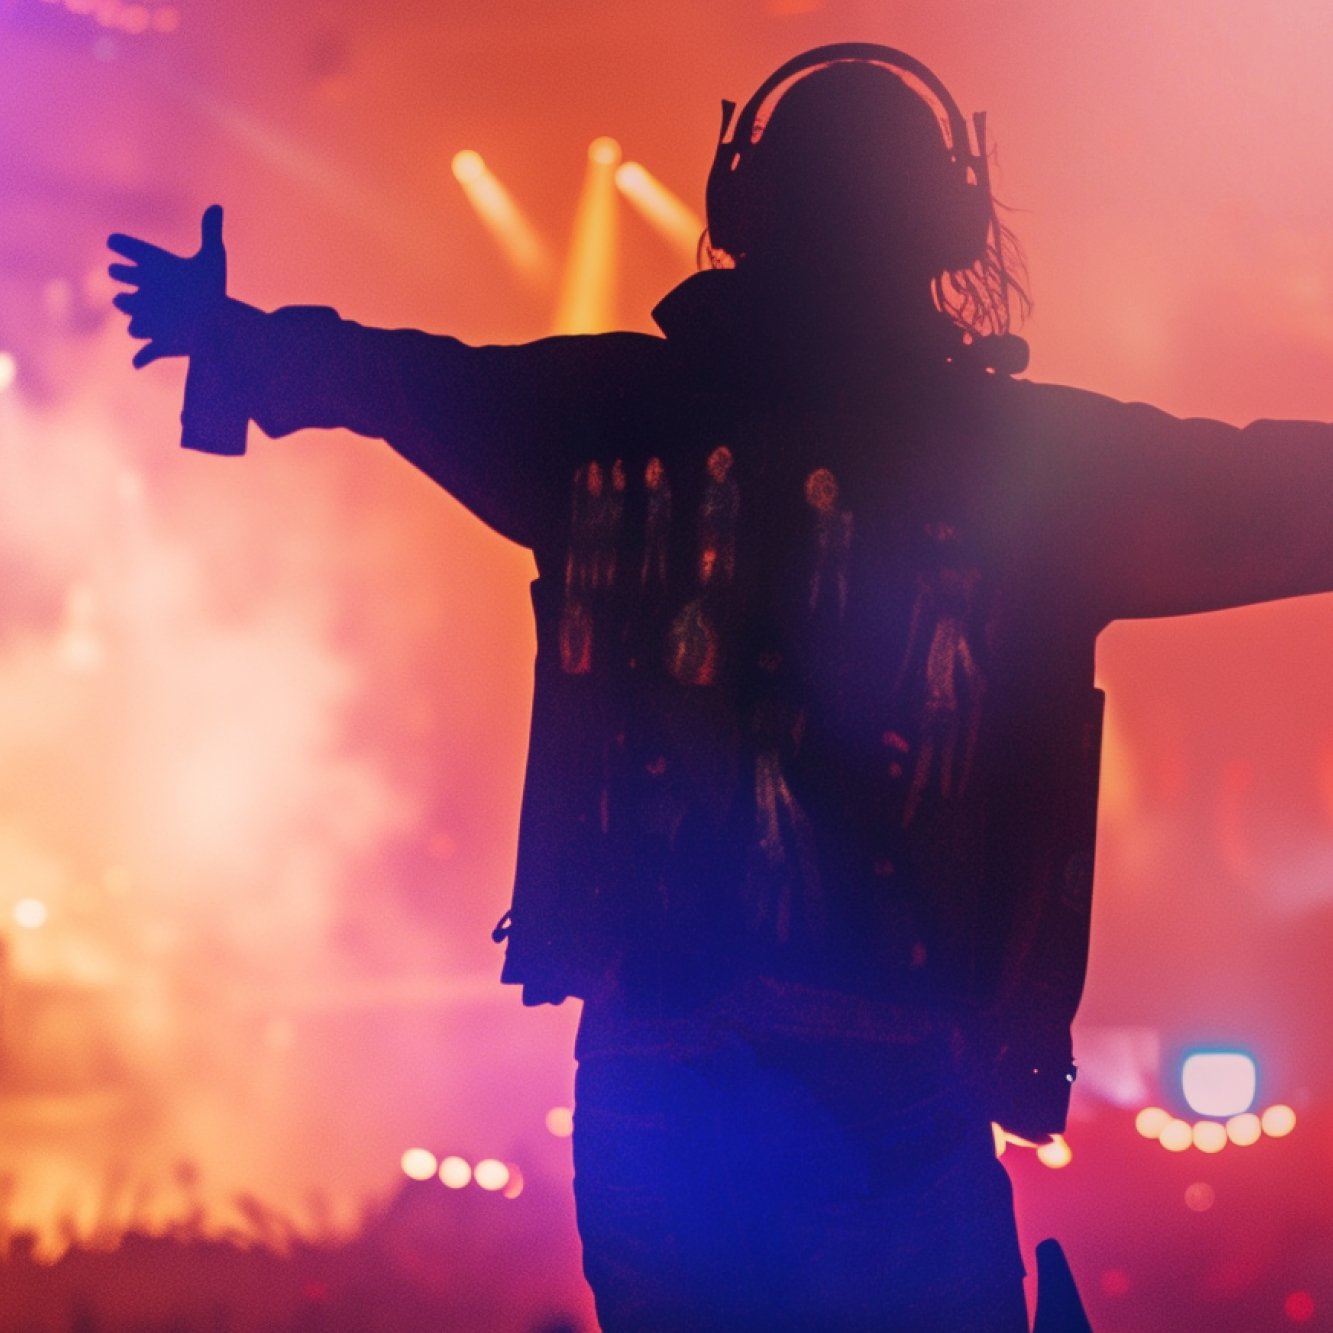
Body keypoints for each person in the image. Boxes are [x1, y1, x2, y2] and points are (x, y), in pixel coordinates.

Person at [108, 43, 1332, 1331]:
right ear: (953, 222)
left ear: (741, 204)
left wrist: (235, 344)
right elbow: (1259, 490)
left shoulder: (607, 416)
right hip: (898, 1106)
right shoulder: (1034, 467)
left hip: (666, 1089)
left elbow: (398, 377)